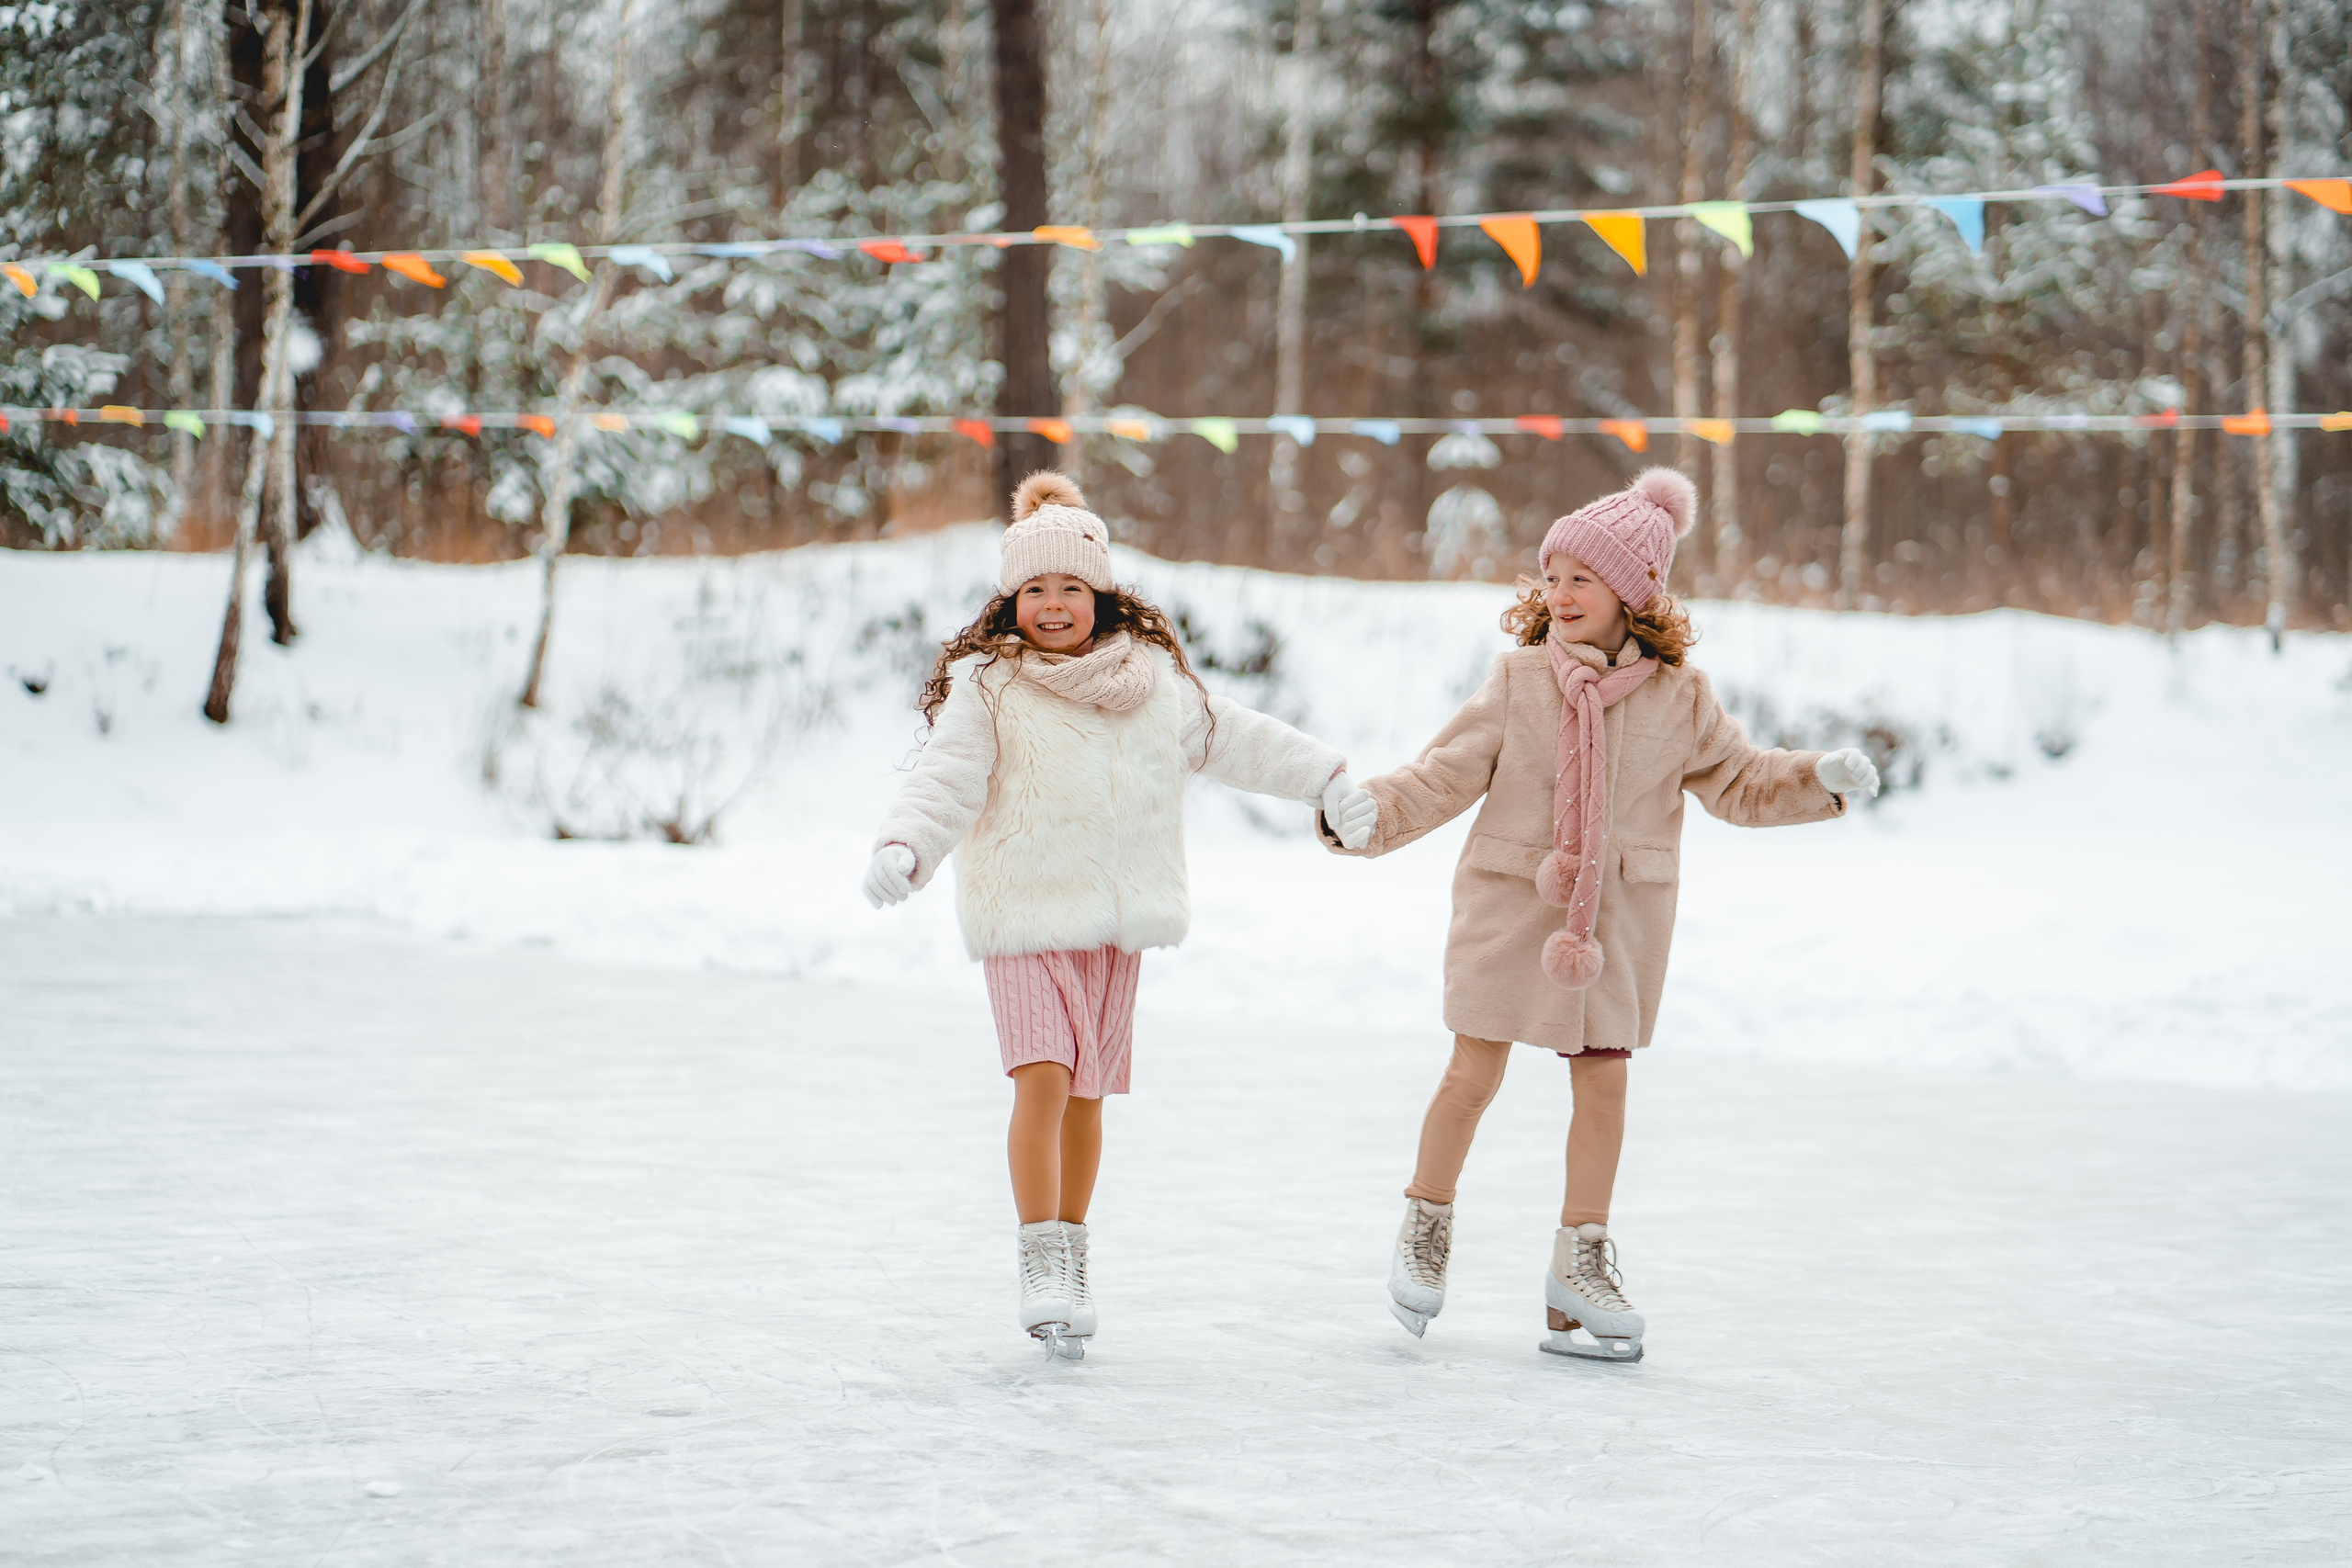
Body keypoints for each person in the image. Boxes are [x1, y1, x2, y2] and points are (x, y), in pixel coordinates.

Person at [1321, 468, 1879, 1362]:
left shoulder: (1680, 697)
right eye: (1553, 576)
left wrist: (1818, 777)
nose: (1561, 593)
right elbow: (1442, 775)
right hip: (1512, 908)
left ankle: (1577, 1265)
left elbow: (1741, 782)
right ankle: (1426, 1223)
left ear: (1634, 590)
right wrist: (1367, 814)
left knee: (1604, 1083)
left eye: (1582, 577)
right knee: (1472, 1072)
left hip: (1617, 920)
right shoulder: (1518, 680)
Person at [863, 471, 1377, 1359]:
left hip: (1114, 923)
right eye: (1034, 589)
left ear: (1101, 594)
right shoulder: (991, 686)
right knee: (1043, 1078)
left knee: (1087, 1097)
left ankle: (1072, 1256)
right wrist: (906, 843)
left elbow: (1239, 738)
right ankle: (1040, 1260)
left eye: (1071, 587)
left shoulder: (1151, 686)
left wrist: (1325, 776)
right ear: (1010, 600)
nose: (1053, 605)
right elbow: (946, 778)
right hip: (1024, 912)